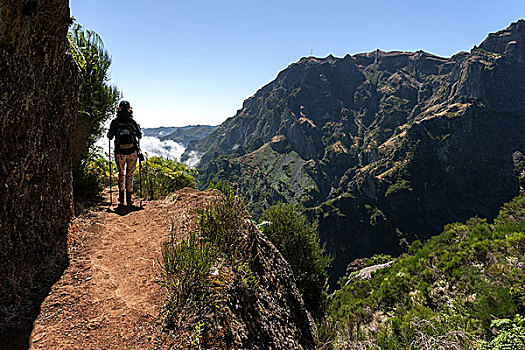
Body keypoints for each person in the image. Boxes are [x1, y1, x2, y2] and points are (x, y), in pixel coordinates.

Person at [107, 100, 142, 206]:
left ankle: (121, 197)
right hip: (132, 151)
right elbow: (139, 136)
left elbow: (110, 136)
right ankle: (129, 198)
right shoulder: (132, 121)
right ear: (129, 109)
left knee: (121, 174)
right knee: (129, 174)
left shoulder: (115, 122)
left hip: (119, 152)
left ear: (118, 109)